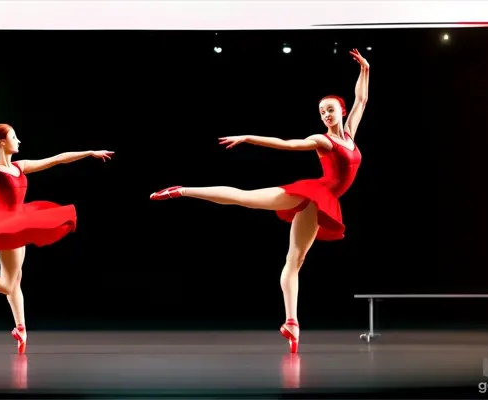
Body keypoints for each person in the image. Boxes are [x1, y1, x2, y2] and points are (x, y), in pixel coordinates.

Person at [149, 49, 369, 353]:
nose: (326, 115)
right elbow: (287, 144)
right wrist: (250, 137)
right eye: (322, 112)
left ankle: (291, 322)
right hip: (313, 192)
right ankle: (183, 190)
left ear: (340, 111)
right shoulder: (323, 140)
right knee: (246, 198)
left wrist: (365, 70)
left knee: (295, 261)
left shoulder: (350, 133)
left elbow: (361, 100)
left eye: (330, 110)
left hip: (323, 203)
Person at [0, 101, 114, 354]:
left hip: (21, 222)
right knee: (8, 284)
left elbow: (57, 160)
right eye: (14, 137)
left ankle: (21, 327)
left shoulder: (20, 166)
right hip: (6, 226)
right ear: (2, 143)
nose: (19, 141)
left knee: (15, 281)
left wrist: (89, 152)